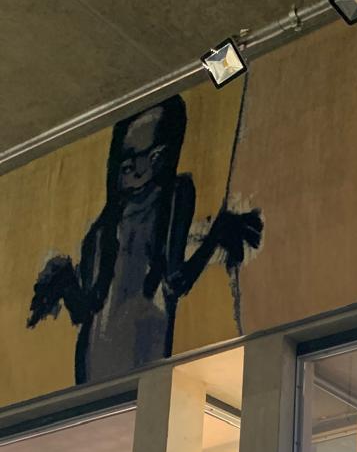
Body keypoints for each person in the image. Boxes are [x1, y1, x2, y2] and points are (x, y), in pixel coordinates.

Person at [27, 96, 262, 385]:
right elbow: (173, 281)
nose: (134, 168)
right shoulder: (107, 228)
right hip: (121, 351)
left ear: (162, 155)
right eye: (127, 159)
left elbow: (88, 308)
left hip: (127, 350)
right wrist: (217, 233)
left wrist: (62, 280)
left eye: (149, 155)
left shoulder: (162, 201)